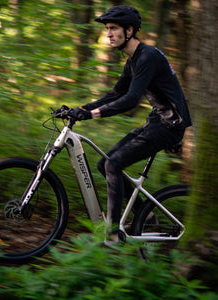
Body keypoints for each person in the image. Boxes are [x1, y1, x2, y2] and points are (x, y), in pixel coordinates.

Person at [68, 5, 192, 244]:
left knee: (114, 165)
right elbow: (115, 95)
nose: (109, 34)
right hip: (157, 120)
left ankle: (113, 234)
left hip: (170, 125)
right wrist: (80, 109)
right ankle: (148, 215)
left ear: (130, 30)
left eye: (113, 28)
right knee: (105, 164)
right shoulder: (133, 61)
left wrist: (92, 115)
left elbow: (131, 100)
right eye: (107, 29)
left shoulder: (148, 57)